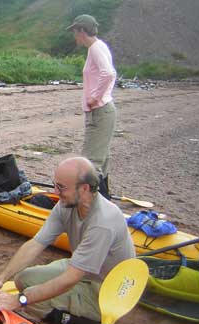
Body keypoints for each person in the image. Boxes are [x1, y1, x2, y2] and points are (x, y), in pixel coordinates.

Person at [0, 157, 134, 324]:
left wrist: (19, 300)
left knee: (30, 298)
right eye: (55, 185)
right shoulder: (66, 205)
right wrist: (1, 278)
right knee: (23, 280)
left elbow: (70, 279)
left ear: (84, 189)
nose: (55, 192)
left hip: (108, 289)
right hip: (83, 269)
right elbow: (36, 243)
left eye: (61, 187)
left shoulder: (103, 222)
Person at [66, 15, 117, 199]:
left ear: (81, 31)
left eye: (74, 32)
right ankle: (104, 197)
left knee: (90, 162)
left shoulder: (95, 48)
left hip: (100, 111)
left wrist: (94, 98)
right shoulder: (98, 47)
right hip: (103, 110)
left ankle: (90, 206)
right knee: (102, 159)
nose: (74, 36)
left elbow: (109, 74)